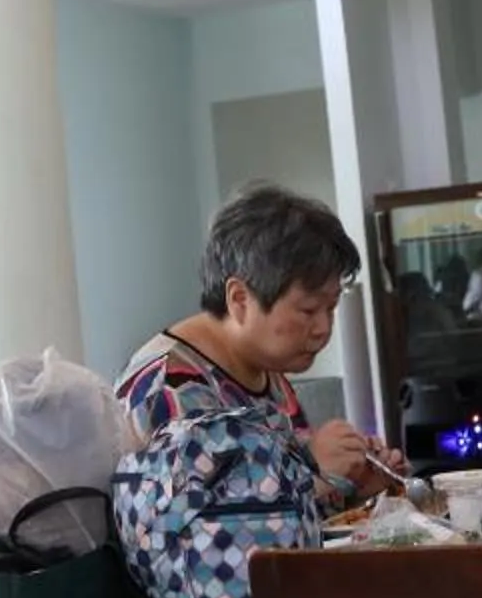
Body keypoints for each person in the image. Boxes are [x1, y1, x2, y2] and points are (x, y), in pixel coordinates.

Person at [119, 184, 396, 512]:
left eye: (331, 307)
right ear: (239, 299)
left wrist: (357, 487)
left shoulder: (270, 374)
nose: (323, 328)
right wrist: (317, 473)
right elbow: (203, 535)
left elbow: (303, 519)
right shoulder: (169, 389)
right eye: (308, 310)